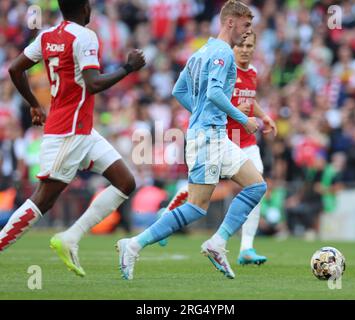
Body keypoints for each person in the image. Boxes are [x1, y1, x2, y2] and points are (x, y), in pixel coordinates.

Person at [116, 0, 267, 280]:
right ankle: (134, 244)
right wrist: (243, 119)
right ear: (230, 22)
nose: (248, 32)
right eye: (246, 25)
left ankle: (218, 242)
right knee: (196, 206)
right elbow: (214, 93)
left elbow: (178, 89)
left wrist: (198, 112)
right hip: (208, 136)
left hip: (214, 134)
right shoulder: (223, 52)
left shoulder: (202, 51)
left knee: (257, 186)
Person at [3, 0, 145, 277]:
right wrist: (128, 68)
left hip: (82, 130)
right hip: (68, 132)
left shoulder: (46, 35)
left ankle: (70, 237)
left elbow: (14, 69)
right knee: (43, 200)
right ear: (84, 8)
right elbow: (93, 84)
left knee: (126, 182)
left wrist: (34, 103)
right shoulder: (85, 36)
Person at [155, 33, 277, 265]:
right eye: (241, 45)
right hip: (221, 138)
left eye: (250, 46)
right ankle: (172, 211)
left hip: (245, 141)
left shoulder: (252, 72)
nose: (245, 49)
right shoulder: (224, 69)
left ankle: (246, 248)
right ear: (233, 46)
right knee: (204, 195)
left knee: (257, 183)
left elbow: (250, 100)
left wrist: (264, 116)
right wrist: (237, 111)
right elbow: (212, 102)